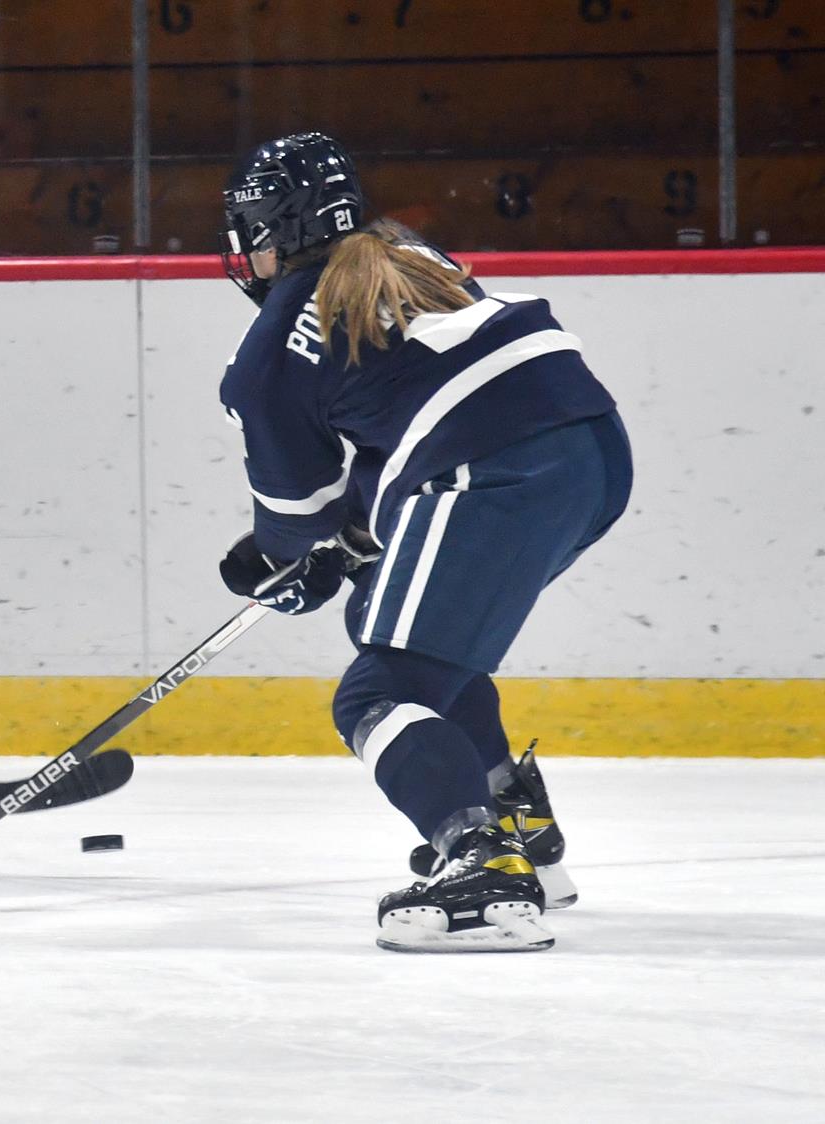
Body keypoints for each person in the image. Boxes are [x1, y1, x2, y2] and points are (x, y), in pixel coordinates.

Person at [213, 132, 632, 952]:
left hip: (497, 469)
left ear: (276, 229)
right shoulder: (403, 253)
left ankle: (480, 858)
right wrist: (347, 539)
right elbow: (401, 426)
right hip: (592, 451)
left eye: (250, 233)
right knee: (400, 630)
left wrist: (281, 561)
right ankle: (520, 829)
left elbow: (298, 512)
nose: (245, 252)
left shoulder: (266, 356)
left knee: (375, 693)